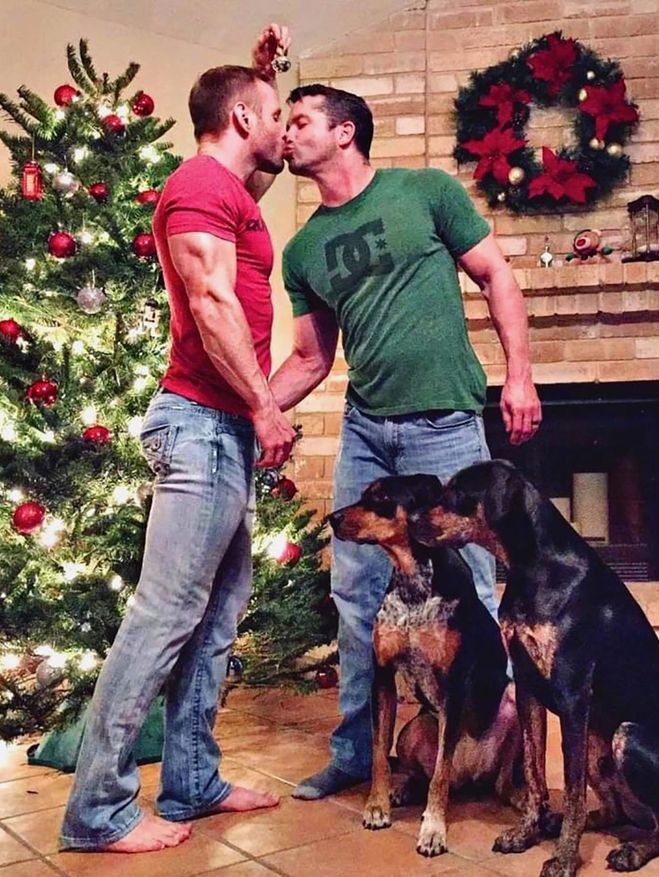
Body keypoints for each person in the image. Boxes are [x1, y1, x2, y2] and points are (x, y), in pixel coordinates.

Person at [269, 84, 542, 800]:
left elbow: (496, 277)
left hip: (446, 424)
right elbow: (308, 359)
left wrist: (518, 377)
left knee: (470, 590)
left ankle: (500, 746)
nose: (287, 133)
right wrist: (251, 410)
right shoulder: (301, 250)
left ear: (345, 131)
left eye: (299, 121)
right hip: (368, 429)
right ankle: (362, 753)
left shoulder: (424, 192)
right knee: (356, 591)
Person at [59, 25, 295, 853]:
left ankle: (190, 777)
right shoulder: (197, 185)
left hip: (223, 426)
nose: (286, 124)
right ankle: (98, 809)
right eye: (274, 112)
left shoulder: (226, 188)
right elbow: (210, 301)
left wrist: (266, 73)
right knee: (162, 617)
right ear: (238, 117)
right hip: (202, 423)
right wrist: (266, 407)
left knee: (216, 617)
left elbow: (257, 169)